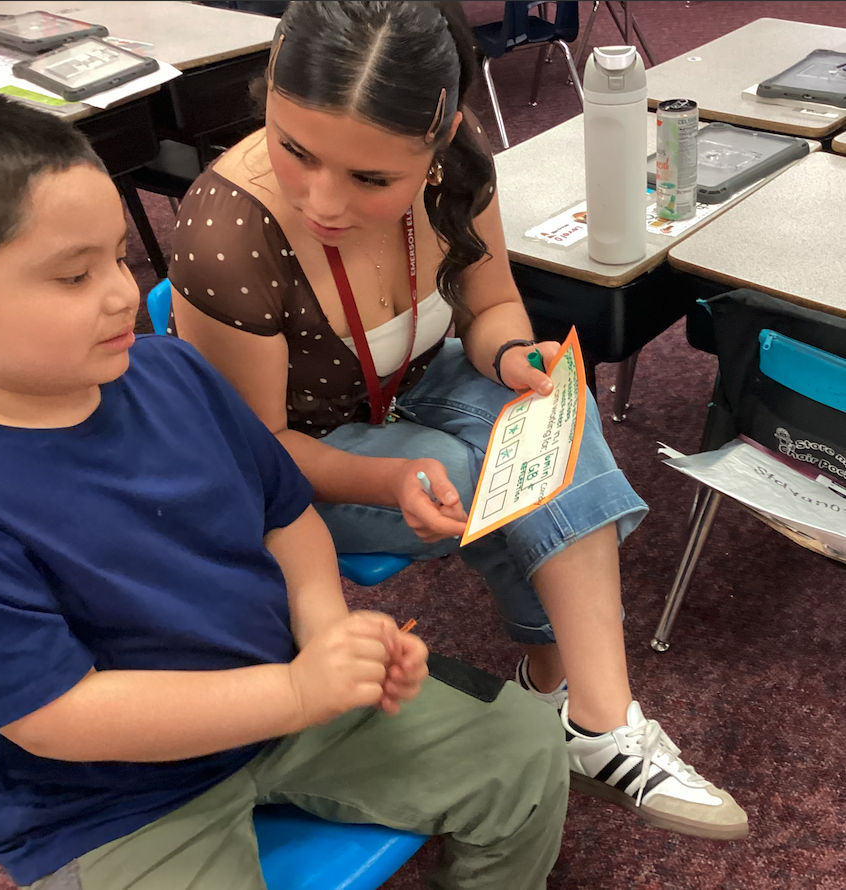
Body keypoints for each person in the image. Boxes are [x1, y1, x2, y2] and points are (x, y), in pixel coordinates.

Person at [0, 87, 569, 890]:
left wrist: (323, 633)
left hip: (292, 705)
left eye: (118, 255)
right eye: (74, 276)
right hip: (110, 801)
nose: (120, 292)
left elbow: (287, 519)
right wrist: (291, 690)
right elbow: (56, 718)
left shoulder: (173, 371)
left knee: (524, 748)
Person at [168, 0, 748, 841]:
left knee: (551, 401)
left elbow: (492, 305)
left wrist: (516, 357)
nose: (324, 199)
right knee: (471, 468)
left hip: (413, 379)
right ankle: (564, 689)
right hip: (296, 456)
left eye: (372, 179)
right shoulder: (228, 234)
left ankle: (599, 716)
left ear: (437, 149)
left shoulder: (460, 166)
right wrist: (389, 477)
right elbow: (255, 455)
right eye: (295, 149)